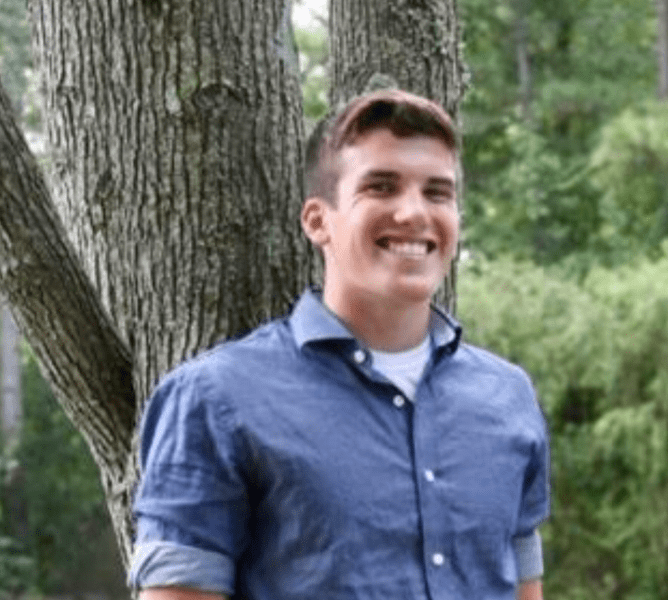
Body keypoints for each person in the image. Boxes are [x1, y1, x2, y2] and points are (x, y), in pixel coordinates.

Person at [129, 89, 550, 600]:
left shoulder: (508, 397)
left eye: (438, 193)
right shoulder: (214, 399)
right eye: (381, 187)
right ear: (317, 221)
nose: (414, 212)